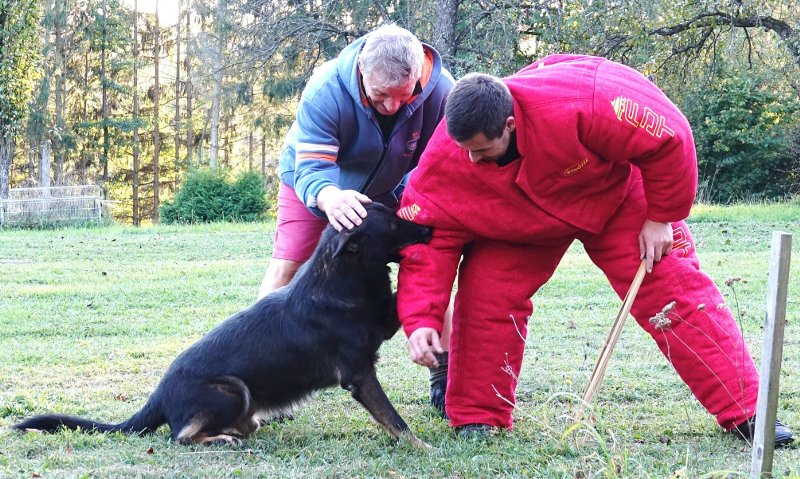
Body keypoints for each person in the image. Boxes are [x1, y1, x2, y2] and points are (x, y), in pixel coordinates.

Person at [395, 54, 795, 445]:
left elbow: (669, 135)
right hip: (514, 223)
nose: (471, 158)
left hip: (614, 196)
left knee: (672, 290)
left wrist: (661, 217)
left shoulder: (583, 98)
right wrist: (420, 318)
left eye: (482, 151)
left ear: (510, 124)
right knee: (485, 296)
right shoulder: (443, 164)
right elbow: (426, 245)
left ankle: (749, 411)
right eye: (464, 148)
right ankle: (478, 417)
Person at [258, 24, 455, 413]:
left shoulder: (443, 92)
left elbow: (445, 161)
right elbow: (311, 167)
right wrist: (330, 197)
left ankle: (445, 377)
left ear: (419, 74)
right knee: (288, 266)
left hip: (393, 187)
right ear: (362, 66)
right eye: (381, 95)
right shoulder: (325, 90)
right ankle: (263, 377)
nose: (392, 107)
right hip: (315, 183)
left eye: (404, 95)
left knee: (427, 260)